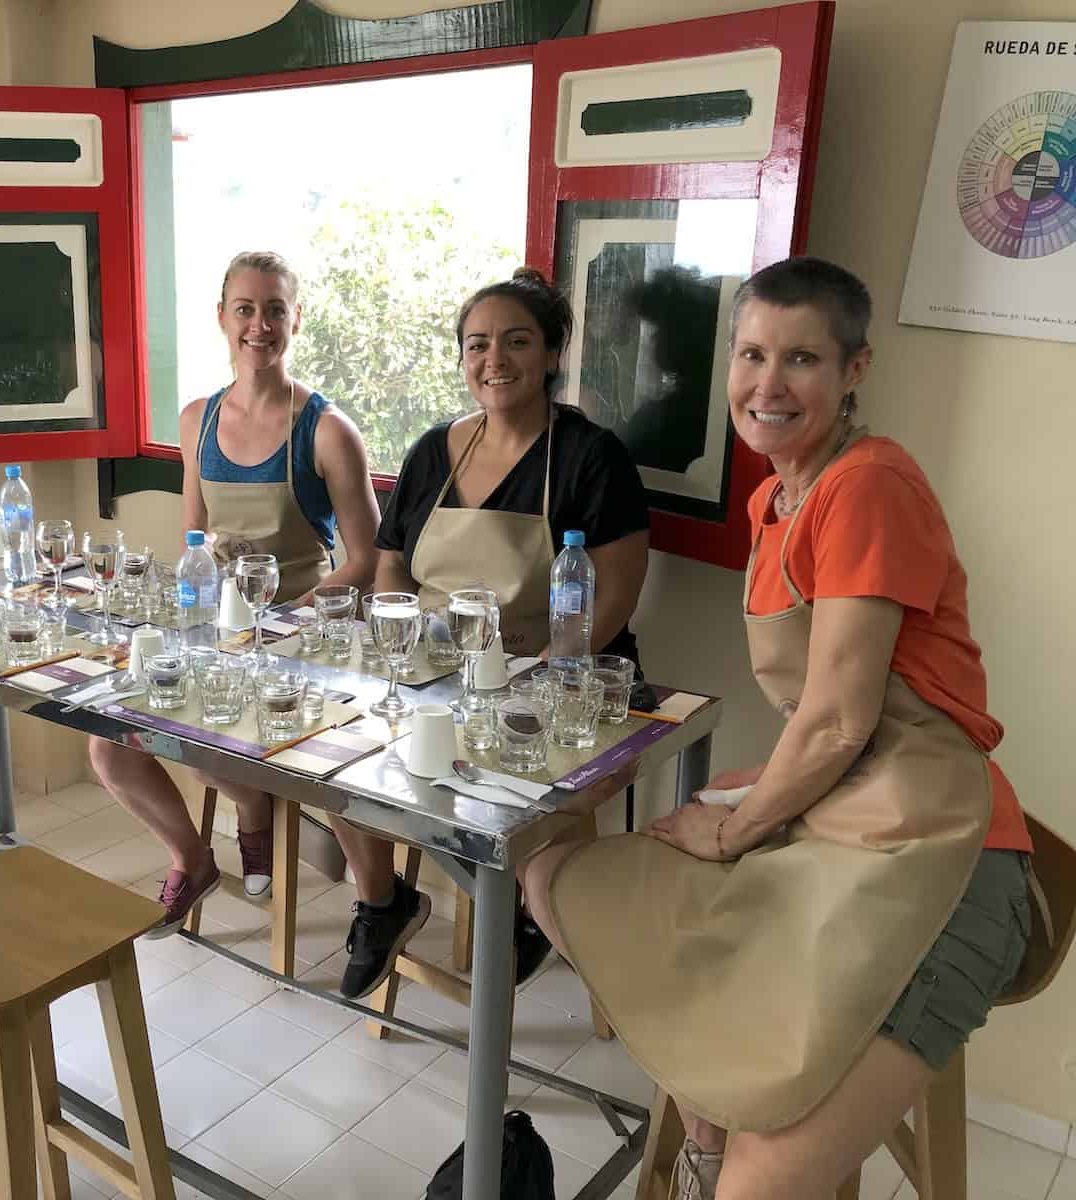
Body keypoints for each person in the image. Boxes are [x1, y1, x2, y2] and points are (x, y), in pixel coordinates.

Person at [523, 257, 1033, 1198]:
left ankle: (721, 1158)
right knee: (562, 873)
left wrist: (731, 826)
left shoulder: (867, 486)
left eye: (801, 359)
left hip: (941, 856)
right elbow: (826, 729)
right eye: (752, 354)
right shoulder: (777, 498)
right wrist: (741, 798)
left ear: (854, 370)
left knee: (764, 1185)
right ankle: (708, 1134)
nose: (768, 384)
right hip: (837, 820)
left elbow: (840, 723)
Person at [330, 266, 650, 1001]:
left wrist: (534, 682)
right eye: (477, 345)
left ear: (549, 355)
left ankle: (530, 905)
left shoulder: (590, 457)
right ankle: (383, 903)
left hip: (559, 681)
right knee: (336, 758)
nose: (494, 360)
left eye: (516, 342)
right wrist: (399, 645)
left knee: (502, 794)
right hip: (439, 675)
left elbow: (614, 602)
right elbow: (391, 568)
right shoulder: (432, 452)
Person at [89, 250, 381, 934]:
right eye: (245, 309)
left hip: (300, 639)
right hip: (220, 632)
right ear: (221, 318)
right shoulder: (198, 419)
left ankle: (259, 807)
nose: (259, 325)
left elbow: (366, 562)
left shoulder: (329, 431)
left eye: (274, 309)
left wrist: (283, 619)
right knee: (108, 742)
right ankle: (194, 855)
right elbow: (194, 535)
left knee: (225, 726)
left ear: (295, 321)